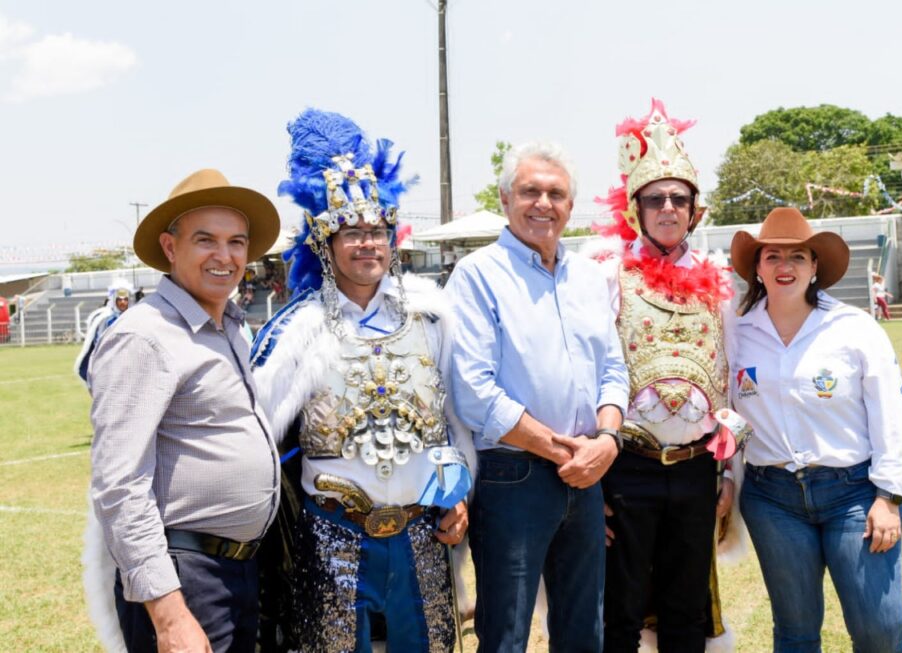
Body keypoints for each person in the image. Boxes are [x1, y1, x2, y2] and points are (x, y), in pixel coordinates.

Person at [250, 109, 473, 653]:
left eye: (377, 231)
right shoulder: (296, 332)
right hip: (332, 536)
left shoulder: (430, 318)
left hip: (422, 536)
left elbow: (451, 421)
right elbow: (255, 436)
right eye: (352, 233)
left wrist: (457, 493)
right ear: (325, 244)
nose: (367, 244)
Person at [86, 168, 282, 653]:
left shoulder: (230, 327)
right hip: (184, 578)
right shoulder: (144, 336)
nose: (226, 256)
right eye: (205, 240)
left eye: (237, 241)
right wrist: (169, 614)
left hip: (236, 571)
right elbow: (119, 486)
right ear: (170, 248)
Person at [447, 141, 629, 653]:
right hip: (514, 475)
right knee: (506, 633)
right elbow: (474, 391)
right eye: (530, 191)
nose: (543, 204)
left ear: (571, 205)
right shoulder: (478, 276)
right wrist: (561, 450)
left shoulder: (589, 278)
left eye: (556, 193)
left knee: (582, 631)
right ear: (506, 199)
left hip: (587, 470)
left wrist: (609, 440)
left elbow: (613, 369)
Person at [590, 99, 744, 652]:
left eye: (680, 198)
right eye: (656, 198)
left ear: (696, 210)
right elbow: (590, 376)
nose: (669, 208)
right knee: (621, 612)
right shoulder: (606, 277)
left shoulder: (721, 284)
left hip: (697, 471)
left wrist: (730, 474)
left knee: (686, 612)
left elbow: (729, 382)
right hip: (628, 470)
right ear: (635, 209)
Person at [729, 207, 902, 652]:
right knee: (795, 632)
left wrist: (887, 497)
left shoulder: (854, 328)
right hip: (772, 499)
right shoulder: (734, 330)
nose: (784, 267)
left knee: (878, 632)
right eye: (772, 256)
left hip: (853, 494)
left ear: (815, 267)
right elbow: (723, 416)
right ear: (757, 267)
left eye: (798, 257)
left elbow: (891, 411)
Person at [75, 279, 135, 385]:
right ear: (114, 300)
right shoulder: (106, 319)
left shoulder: (133, 317)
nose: (122, 302)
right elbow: (98, 342)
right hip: (108, 364)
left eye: (125, 299)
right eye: (119, 299)